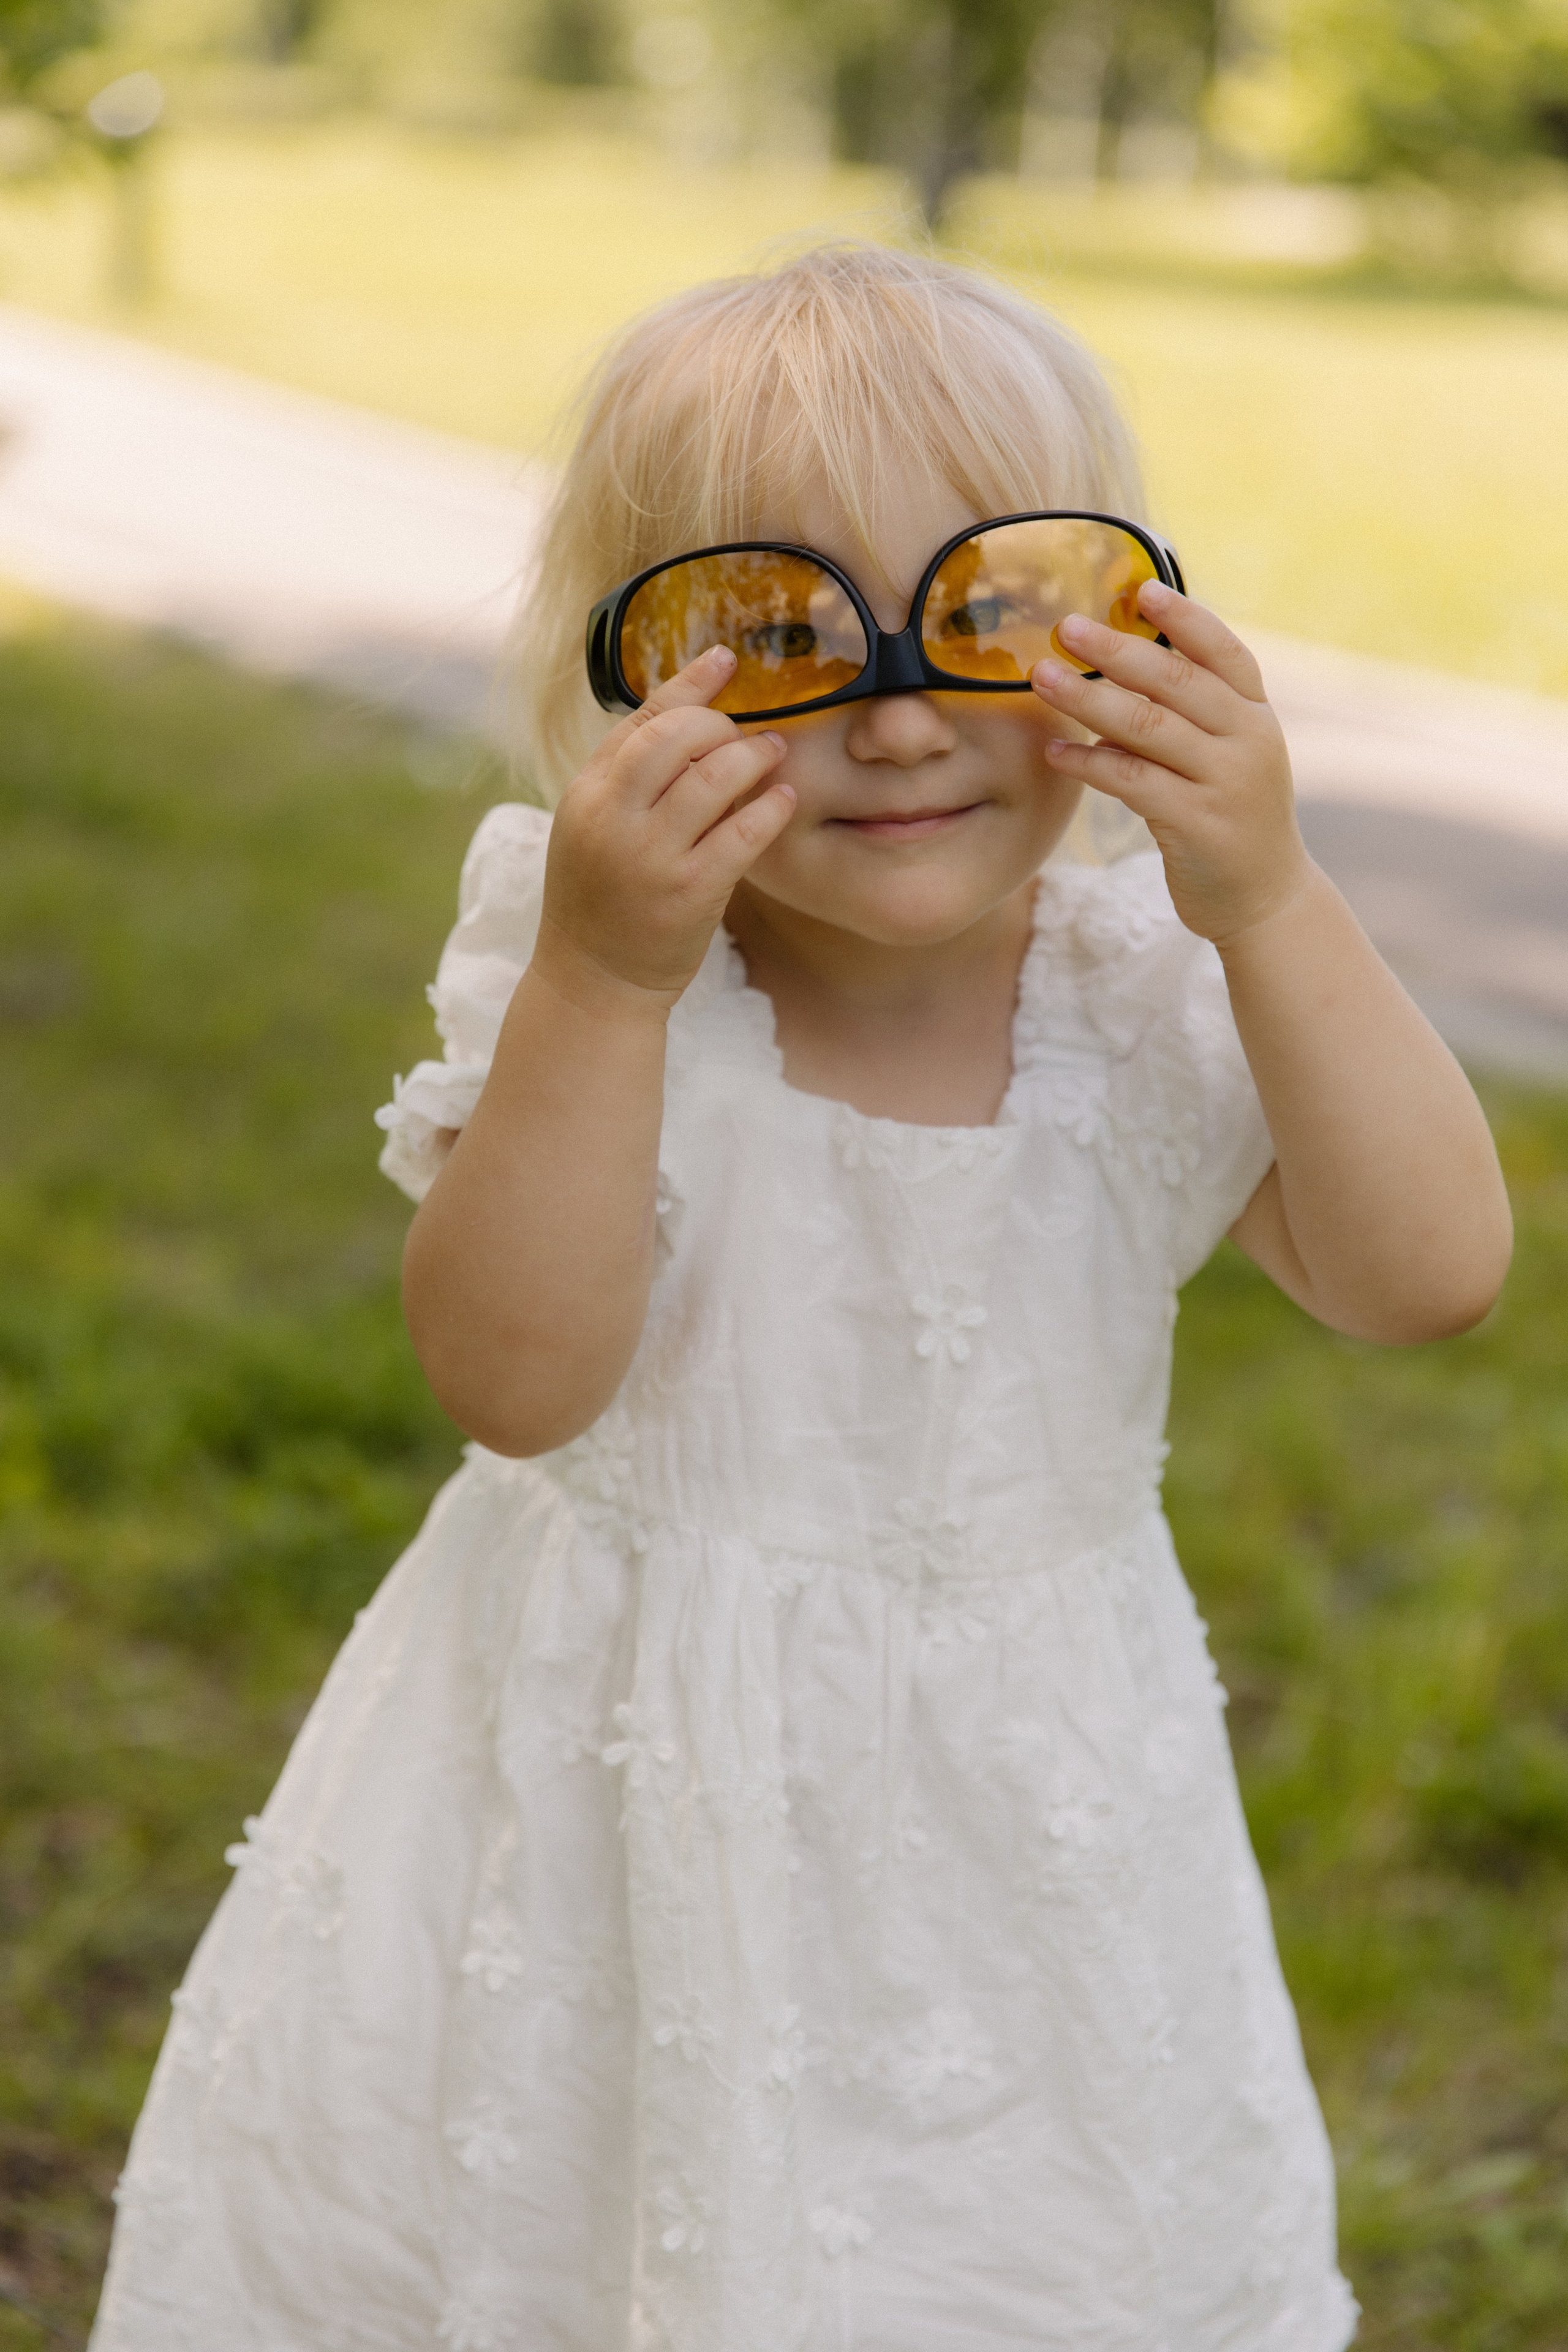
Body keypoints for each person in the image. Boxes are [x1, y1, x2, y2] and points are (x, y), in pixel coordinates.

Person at [91, 243, 1511, 2352]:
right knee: (571, 2247)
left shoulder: (1149, 988)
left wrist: (1274, 897)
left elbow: (1428, 1278)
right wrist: (602, 981)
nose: (903, 714)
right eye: (774, 635)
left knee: (1013, 2256)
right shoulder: (607, 981)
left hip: (1032, 1836)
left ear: (1124, 637)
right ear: (626, 689)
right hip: (604, 1804)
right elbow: (512, 1377)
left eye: (992, 610)